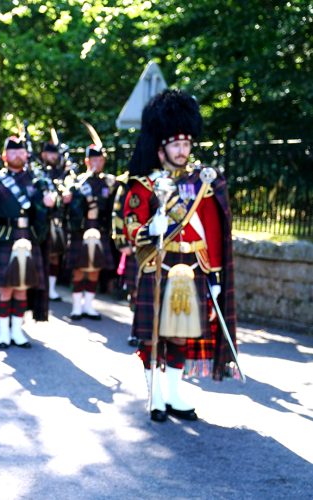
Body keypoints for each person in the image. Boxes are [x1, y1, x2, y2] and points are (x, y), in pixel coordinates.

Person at [124, 89, 240, 422]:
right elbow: (130, 228)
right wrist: (152, 226)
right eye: (176, 145)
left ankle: (174, 394)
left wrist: (214, 275)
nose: (182, 151)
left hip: (192, 267)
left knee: (180, 334)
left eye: (186, 145)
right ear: (161, 148)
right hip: (157, 266)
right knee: (152, 336)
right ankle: (154, 396)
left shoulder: (203, 182)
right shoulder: (142, 185)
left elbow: (214, 233)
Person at [0, 134, 53, 349]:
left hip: (28, 239)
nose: (18, 155)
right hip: (4, 238)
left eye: (21, 152)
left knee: (21, 286)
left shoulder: (35, 180)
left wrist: (50, 203)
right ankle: (3, 333)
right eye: (13, 152)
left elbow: (42, 213)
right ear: (4, 156)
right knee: (5, 287)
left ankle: (17, 331)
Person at [64, 123, 117, 320]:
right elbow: (69, 209)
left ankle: (89, 306)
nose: (98, 163)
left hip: (100, 229)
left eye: (101, 159)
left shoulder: (109, 183)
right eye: (94, 159)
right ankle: (77, 307)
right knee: (79, 268)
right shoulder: (77, 183)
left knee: (95, 268)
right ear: (87, 161)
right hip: (81, 230)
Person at [36, 131, 74, 301]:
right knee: (39, 254)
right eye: (50, 153)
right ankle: (39, 286)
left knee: (55, 254)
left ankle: (51, 288)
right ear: (44, 155)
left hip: (58, 219)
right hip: (40, 219)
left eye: (55, 153)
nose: (53, 156)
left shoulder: (65, 174)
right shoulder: (37, 172)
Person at [111, 170, 140, 345]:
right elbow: (118, 213)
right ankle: (136, 329)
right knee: (136, 290)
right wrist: (122, 241)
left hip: (161, 246)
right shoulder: (128, 181)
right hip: (135, 244)